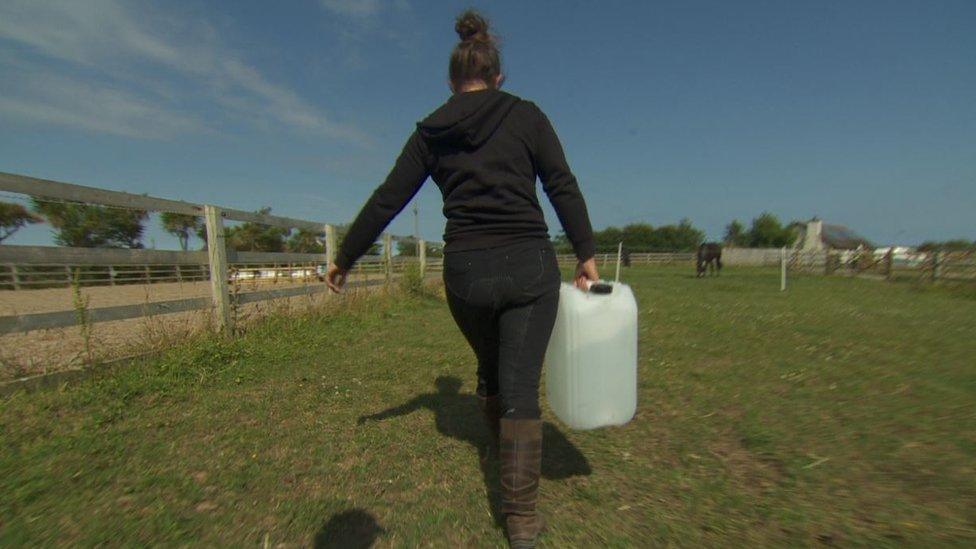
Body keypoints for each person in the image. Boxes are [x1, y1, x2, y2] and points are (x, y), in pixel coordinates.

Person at [325, 10, 598, 548]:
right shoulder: (527, 115)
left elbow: (389, 197)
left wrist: (347, 256)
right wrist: (585, 251)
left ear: (451, 84)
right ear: (498, 77)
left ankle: (497, 434)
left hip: (466, 273)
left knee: (493, 364)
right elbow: (560, 183)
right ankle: (520, 519)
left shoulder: (432, 130)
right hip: (527, 265)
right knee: (520, 385)